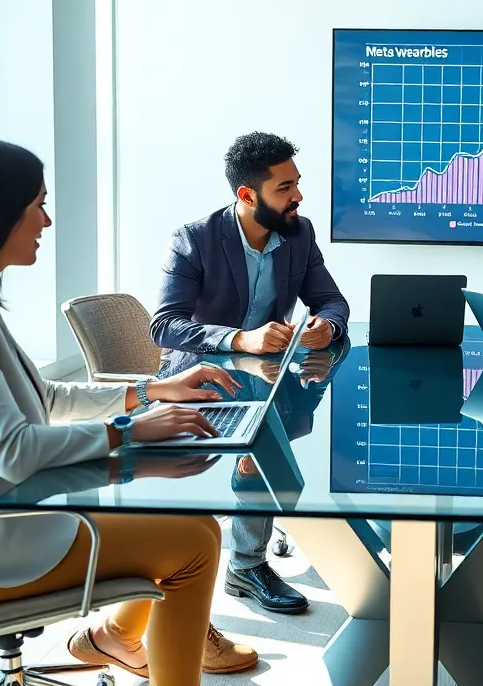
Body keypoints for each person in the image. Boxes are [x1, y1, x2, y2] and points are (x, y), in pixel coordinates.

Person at [0, 134, 260, 685]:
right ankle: (128, 647)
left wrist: (151, 392)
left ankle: (115, 638)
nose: (46, 222)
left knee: (191, 528)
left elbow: (45, 400)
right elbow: (14, 450)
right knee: (194, 542)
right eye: (37, 205)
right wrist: (129, 431)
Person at [151, 130, 349, 615]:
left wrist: (327, 326)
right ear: (247, 195)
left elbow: (331, 299)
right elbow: (165, 325)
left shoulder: (298, 234)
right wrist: (239, 339)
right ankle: (245, 563)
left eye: (296, 183)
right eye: (285, 188)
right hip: (202, 374)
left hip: (270, 376)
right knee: (265, 440)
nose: (298, 196)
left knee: (313, 415)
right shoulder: (194, 239)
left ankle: (263, 542)